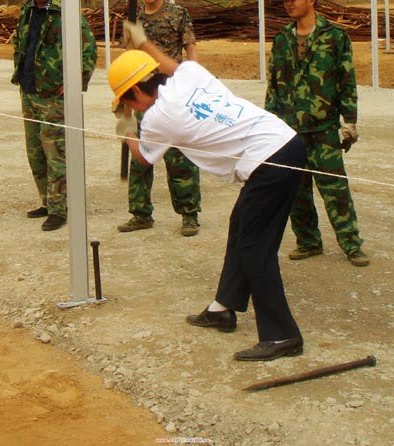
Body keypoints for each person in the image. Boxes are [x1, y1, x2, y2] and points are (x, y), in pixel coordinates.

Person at [110, 22, 307, 362]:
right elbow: (169, 65)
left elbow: (143, 158)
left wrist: (126, 128)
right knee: (241, 223)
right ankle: (223, 308)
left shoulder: (158, 118)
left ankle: (282, 335)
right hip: (285, 143)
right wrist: (144, 43)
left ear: (137, 94)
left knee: (255, 248)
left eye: (129, 103)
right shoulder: (188, 76)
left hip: (268, 160)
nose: (133, 109)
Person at [265, 0, 369, 266]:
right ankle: (308, 241)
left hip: (323, 128)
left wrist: (349, 122)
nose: (288, 3)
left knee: (335, 189)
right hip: (289, 129)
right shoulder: (282, 39)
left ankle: (351, 243)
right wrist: (269, 124)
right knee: (296, 191)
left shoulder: (335, 37)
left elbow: (347, 81)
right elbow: (274, 85)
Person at [11, 0, 97, 232]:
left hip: (53, 95)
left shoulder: (64, 12)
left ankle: (60, 209)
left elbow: (89, 49)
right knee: (35, 151)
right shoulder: (27, 11)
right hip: (29, 90)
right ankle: (47, 201)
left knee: (56, 152)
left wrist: (75, 82)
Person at [118, 0, 203, 237]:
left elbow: (190, 46)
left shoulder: (177, 14)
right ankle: (140, 212)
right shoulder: (134, 18)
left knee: (179, 155)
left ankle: (189, 213)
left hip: (172, 92)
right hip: (143, 94)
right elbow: (128, 55)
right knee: (140, 154)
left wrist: (193, 77)